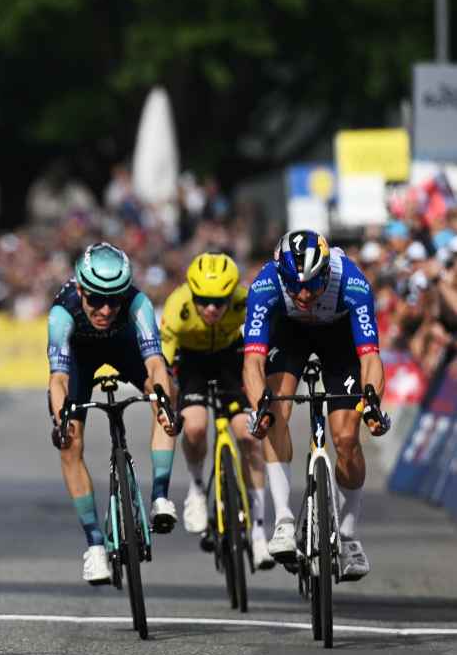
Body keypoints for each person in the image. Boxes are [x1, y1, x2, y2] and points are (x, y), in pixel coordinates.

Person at [243, 230, 390, 582]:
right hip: (289, 334)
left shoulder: (352, 282)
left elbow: (370, 357)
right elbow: (252, 362)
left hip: (339, 340)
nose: (305, 294)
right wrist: (259, 407)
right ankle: (283, 521)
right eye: (295, 286)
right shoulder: (264, 286)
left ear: (326, 272)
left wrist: (371, 404)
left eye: (312, 284)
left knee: (345, 439)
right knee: (275, 413)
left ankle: (350, 535)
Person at [47, 242, 178, 585]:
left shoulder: (138, 304)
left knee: (166, 393)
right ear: (80, 290)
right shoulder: (62, 313)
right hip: (81, 357)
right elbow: (58, 378)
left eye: (114, 299)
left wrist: (161, 396)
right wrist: (62, 420)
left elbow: (153, 362)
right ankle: (94, 545)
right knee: (69, 444)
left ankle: (161, 496)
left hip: (124, 349)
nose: (105, 309)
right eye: (95, 299)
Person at [160, 253, 272, 569]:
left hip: (229, 359)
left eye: (219, 301)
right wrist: (167, 402)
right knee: (194, 427)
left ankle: (261, 531)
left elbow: (261, 349)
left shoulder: (244, 301)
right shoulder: (177, 307)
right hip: (191, 361)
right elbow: (164, 366)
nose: (211, 308)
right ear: (192, 293)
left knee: (249, 436)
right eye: (204, 300)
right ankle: (196, 490)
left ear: (231, 294)